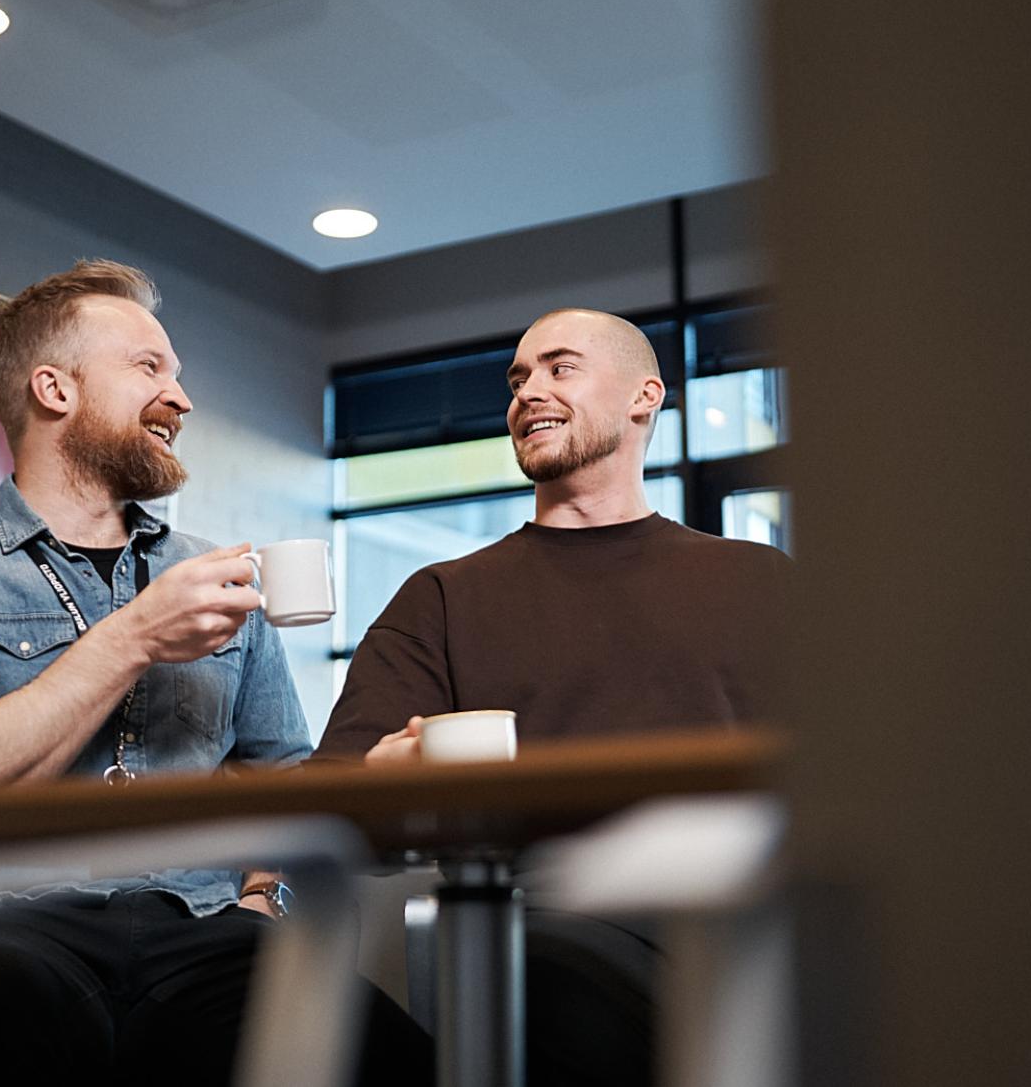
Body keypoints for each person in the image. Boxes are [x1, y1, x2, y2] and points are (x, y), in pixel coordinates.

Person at [0, 259, 429, 1085]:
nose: (180, 398)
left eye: (177, 374)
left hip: (204, 927)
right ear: (54, 389)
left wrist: (276, 883)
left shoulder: (212, 573)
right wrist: (135, 635)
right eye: (149, 367)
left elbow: (278, 777)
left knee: (391, 1052)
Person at [315, 307, 791, 1086]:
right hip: (544, 928)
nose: (527, 390)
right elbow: (336, 796)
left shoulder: (760, 581)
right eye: (517, 378)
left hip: (739, 916)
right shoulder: (441, 598)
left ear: (645, 395)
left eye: (558, 367)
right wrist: (388, 775)